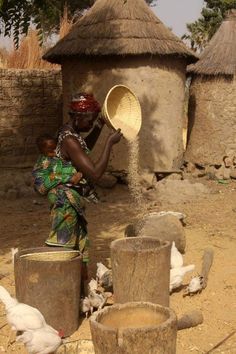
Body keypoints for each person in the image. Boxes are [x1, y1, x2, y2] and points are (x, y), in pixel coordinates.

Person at [42, 92, 122, 267]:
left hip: (70, 198)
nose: (91, 123)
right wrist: (109, 143)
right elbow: (94, 173)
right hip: (65, 200)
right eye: (90, 120)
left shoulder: (68, 131)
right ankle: (55, 280)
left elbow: (82, 150)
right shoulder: (69, 140)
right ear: (78, 116)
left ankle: (77, 286)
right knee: (62, 245)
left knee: (76, 244)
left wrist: (99, 126)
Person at [33, 134, 97, 201]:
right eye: (51, 151)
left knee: (68, 170)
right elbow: (55, 174)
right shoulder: (45, 161)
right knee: (56, 175)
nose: (55, 151)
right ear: (41, 151)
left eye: (55, 148)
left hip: (55, 181)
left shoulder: (55, 157)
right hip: (42, 184)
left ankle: (78, 185)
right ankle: (72, 179)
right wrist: (70, 176)